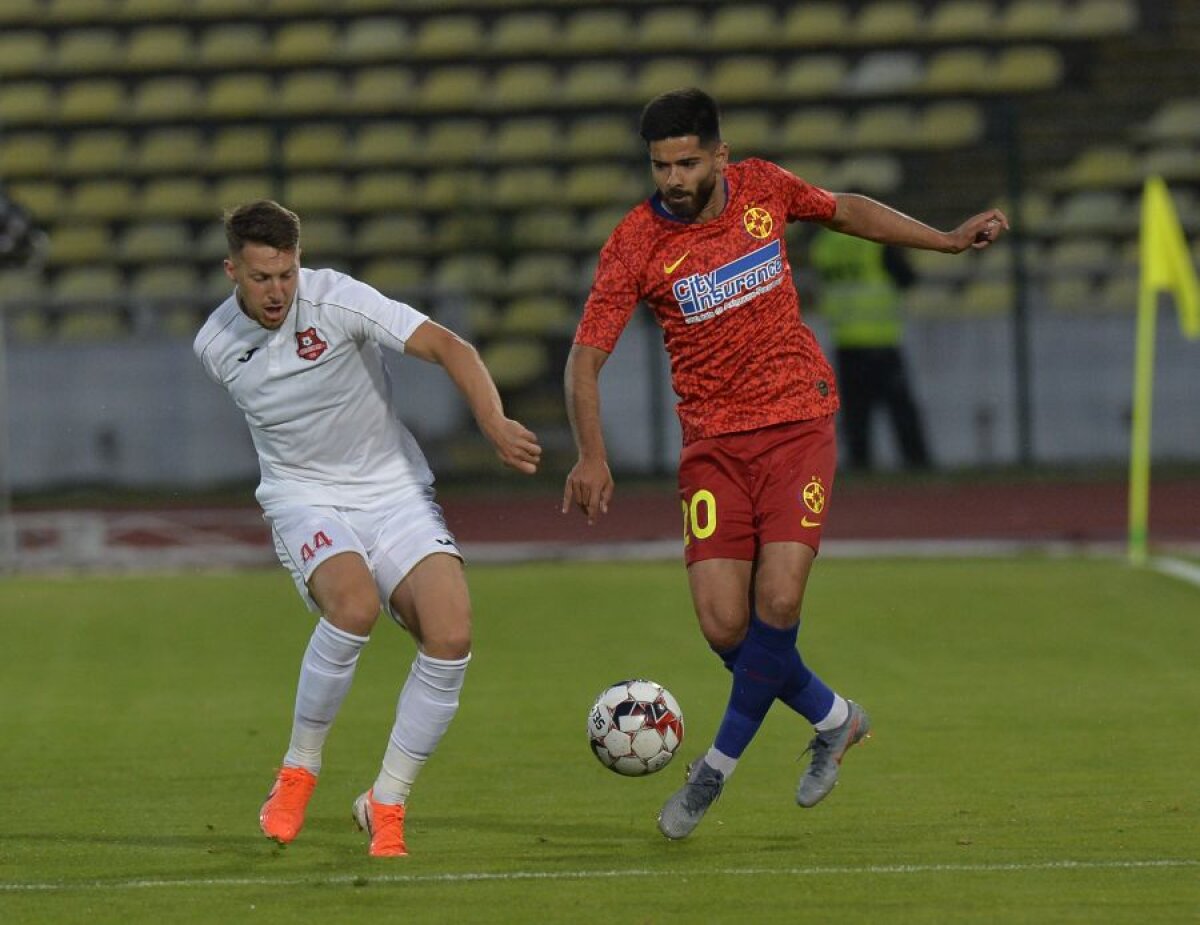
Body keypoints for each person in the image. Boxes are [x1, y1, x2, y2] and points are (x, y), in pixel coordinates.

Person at [562, 88, 1006, 840]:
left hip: (798, 422)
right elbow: (583, 360)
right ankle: (836, 718)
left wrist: (947, 239)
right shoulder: (635, 242)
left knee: (777, 603)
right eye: (660, 164)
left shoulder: (765, 188)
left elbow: (846, 209)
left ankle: (713, 770)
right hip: (711, 449)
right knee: (723, 622)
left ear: (720, 156)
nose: (671, 177)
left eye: (685, 162)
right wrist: (591, 454)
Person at [193, 200, 542, 857]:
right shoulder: (215, 347)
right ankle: (298, 770)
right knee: (352, 605)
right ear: (231, 270)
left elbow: (448, 344)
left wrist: (493, 421)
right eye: (262, 277)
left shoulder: (338, 300)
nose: (278, 291)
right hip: (304, 499)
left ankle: (387, 799)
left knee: (451, 630)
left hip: (394, 491)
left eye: (287, 274)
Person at [809, 227, 931, 471]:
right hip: (880, 338)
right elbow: (907, 277)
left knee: (856, 412)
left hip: (845, 339)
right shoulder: (875, 239)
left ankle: (860, 463)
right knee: (900, 408)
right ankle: (916, 462)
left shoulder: (824, 244)